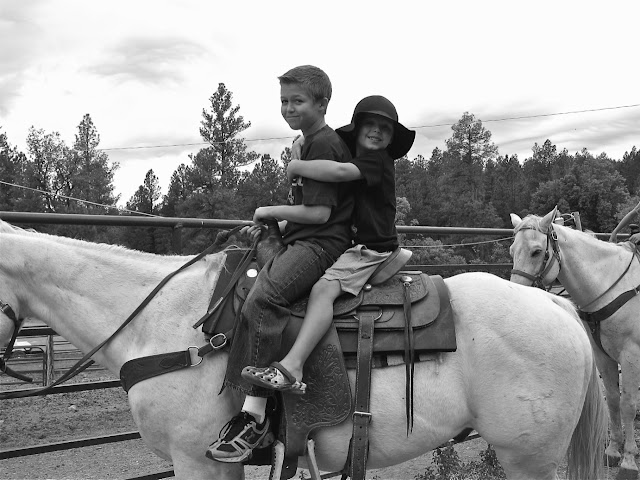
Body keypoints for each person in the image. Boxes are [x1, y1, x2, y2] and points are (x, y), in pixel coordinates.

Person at [206, 65, 354, 463]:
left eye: (298, 101)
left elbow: (321, 214)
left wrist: (268, 210)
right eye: (285, 101)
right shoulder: (308, 143)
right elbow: (307, 211)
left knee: (263, 299)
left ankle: (254, 415)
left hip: (322, 245)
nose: (289, 108)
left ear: (322, 103)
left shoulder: (325, 145)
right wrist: (274, 226)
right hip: (305, 238)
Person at [241, 96, 416, 398]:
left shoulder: (377, 162)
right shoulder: (355, 161)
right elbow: (333, 206)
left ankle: (293, 365)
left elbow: (337, 172)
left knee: (323, 291)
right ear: (357, 129)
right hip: (353, 243)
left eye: (385, 128)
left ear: (391, 139)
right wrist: (279, 226)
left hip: (372, 249)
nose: (376, 131)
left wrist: (297, 165)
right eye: (370, 124)